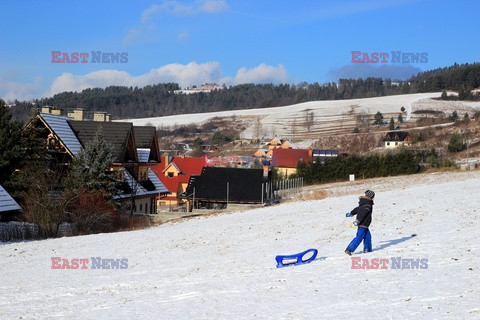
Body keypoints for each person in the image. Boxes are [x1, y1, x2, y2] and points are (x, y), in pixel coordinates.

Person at [345, 190, 375, 255]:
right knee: (359, 237)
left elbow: (358, 209)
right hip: (363, 223)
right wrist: (357, 221)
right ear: (371, 197)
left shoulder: (364, 202)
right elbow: (363, 213)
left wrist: (351, 213)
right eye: (373, 196)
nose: (374, 198)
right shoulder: (368, 204)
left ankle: (367, 249)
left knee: (368, 237)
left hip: (365, 224)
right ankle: (349, 249)